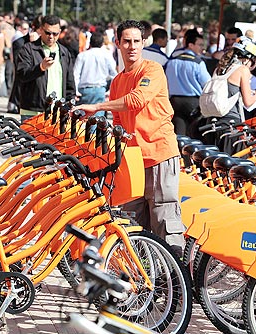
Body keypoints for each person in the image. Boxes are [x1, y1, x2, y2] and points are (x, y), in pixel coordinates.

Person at [72, 19, 185, 255]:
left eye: (136, 41)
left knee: (164, 220)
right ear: (118, 44)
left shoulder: (152, 70)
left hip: (159, 154)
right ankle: (144, 279)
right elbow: (119, 124)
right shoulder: (117, 81)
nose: (131, 46)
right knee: (133, 224)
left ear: (144, 43)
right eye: (126, 41)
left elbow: (137, 100)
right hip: (133, 160)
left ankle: (176, 280)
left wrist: (97, 106)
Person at [202, 36, 256, 154]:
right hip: (230, 126)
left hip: (211, 123)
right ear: (249, 58)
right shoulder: (243, 70)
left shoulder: (220, 68)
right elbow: (248, 102)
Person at [16, 15, 75, 122]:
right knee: (31, 139)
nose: (51, 36)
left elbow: (70, 83)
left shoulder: (64, 52)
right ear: (41, 30)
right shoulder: (29, 49)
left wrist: (70, 104)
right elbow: (21, 75)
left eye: (55, 34)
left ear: (60, 32)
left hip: (57, 112)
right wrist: (40, 67)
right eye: (48, 33)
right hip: (33, 111)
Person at [165, 28, 211, 136]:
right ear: (191, 45)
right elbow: (207, 84)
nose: (202, 48)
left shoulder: (172, 61)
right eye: (199, 45)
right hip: (193, 103)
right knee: (193, 135)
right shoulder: (198, 63)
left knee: (178, 134)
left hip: (175, 101)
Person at [73, 31, 117, 114]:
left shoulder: (82, 55)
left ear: (90, 42)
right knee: (97, 120)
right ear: (102, 43)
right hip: (100, 90)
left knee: (83, 120)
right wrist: (110, 91)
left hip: (84, 91)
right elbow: (114, 74)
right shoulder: (106, 55)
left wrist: (76, 91)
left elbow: (76, 74)